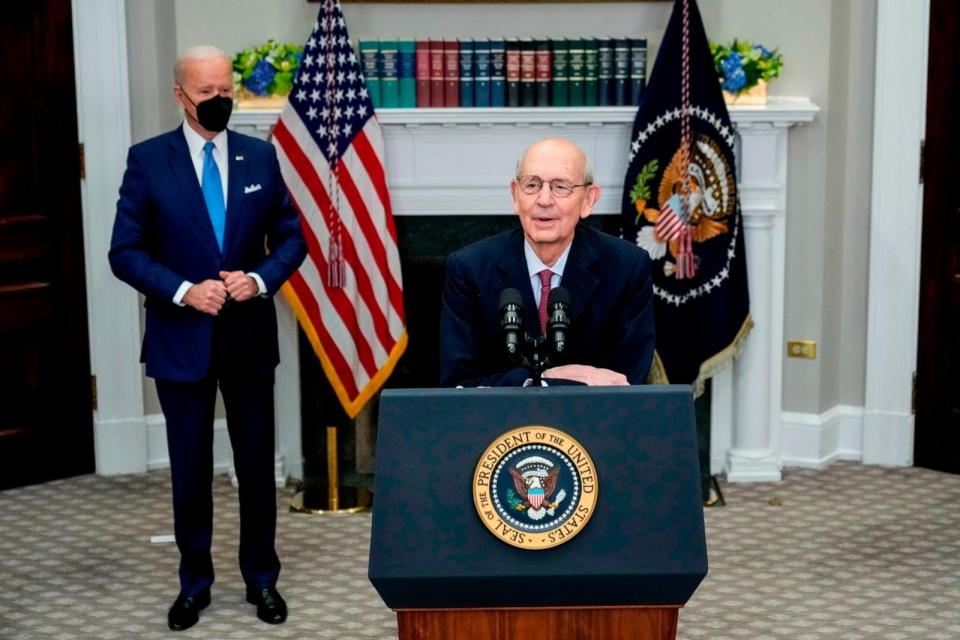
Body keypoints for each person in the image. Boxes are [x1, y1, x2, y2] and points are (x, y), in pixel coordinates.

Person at [109, 46, 307, 631]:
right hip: (181, 341)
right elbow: (125, 252)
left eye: (227, 92)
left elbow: (291, 240)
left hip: (247, 340)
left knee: (255, 468)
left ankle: (261, 580)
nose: (220, 102)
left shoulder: (260, 158)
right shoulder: (147, 161)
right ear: (180, 96)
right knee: (190, 472)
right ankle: (194, 584)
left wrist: (257, 279)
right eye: (207, 94)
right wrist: (183, 290)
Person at [439, 137, 655, 387]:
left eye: (560, 187)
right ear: (515, 196)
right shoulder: (469, 268)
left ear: (588, 200)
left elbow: (626, 383)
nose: (543, 200)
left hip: (593, 423)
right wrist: (547, 378)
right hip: (499, 424)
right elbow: (458, 384)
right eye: (532, 185)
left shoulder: (627, 266)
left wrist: (532, 383)